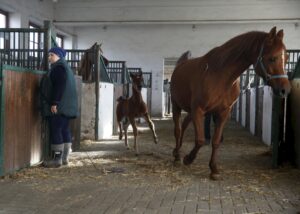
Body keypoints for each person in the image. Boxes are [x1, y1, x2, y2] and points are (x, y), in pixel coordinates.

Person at [40, 47, 78, 168]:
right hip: (67, 106)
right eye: (49, 55)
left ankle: (57, 159)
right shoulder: (66, 68)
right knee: (64, 130)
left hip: (60, 106)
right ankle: (65, 158)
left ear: (59, 56)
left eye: (52, 55)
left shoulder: (58, 68)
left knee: (56, 129)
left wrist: (54, 103)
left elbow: (59, 87)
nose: (49, 57)